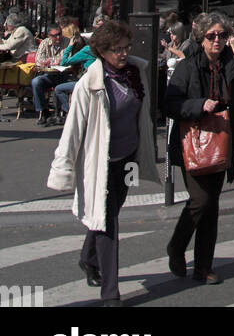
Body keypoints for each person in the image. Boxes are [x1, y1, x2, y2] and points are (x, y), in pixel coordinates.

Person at [46, 19, 159, 306]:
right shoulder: (90, 83)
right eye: (116, 49)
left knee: (107, 215)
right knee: (108, 226)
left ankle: (87, 258)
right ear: (102, 51)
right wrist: (63, 167)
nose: (123, 53)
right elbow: (72, 130)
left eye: (125, 48)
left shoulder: (136, 73)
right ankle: (111, 293)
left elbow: (142, 113)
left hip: (127, 159)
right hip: (100, 164)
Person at [165, 11, 234, 284]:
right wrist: (198, 106)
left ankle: (203, 266)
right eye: (211, 36)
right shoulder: (188, 66)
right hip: (192, 142)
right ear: (201, 39)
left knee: (212, 206)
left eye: (222, 35)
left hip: (222, 141)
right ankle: (177, 246)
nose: (217, 41)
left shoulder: (233, 68)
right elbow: (170, 105)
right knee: (200, 201)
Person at [32, 24, 66, 123]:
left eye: (59, 34)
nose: (58, 37)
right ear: (49, 36)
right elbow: (38, 60)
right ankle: (43, 111)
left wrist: (61, 61)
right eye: (54, 35)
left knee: (59, 86)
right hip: (48, 75)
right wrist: (45, 62)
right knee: (36, 82)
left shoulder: (67, 42)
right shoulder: (44, 43)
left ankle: (58, 112)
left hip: (63, 74)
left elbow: (69, 57)